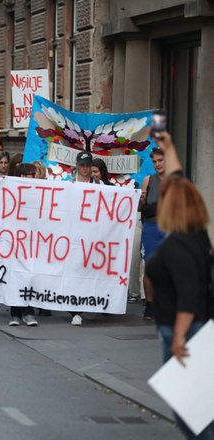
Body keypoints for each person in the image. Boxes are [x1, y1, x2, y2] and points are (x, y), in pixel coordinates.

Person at [144, 131, 214, 439]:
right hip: (189, 327)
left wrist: (179, 337)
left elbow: (188, 294)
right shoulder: (197, 235)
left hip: (183, 329)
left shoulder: (179, 246)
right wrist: (169, 146)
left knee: (192, 413)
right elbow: (177, 179)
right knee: (195, 407)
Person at [68, 151, 101, 326]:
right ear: (77, 166)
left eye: (88, 165)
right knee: (75, 269)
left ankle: (89, 302)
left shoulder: (99, 184)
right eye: (82, 165)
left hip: (92, 234)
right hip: (74, 234)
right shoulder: (70, 185)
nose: (85, 168)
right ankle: (74, 310)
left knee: (90, 269)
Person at [8, 163, 39, 327]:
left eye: (33, 174)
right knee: (16, 276)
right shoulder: (11, 192)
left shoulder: (41, 193)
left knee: (30, 276)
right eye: (27, 174)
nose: (31, 178)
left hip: (33, 243)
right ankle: (15, 313)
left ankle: (28, 311)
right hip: (14, 242)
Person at [139, 147, 167, 320]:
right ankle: (150, 306)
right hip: (151, 228)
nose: (157, 164)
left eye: (160, 160)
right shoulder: (148, 180)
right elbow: (142, 209)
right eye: (154, 161)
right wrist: (142, 203)